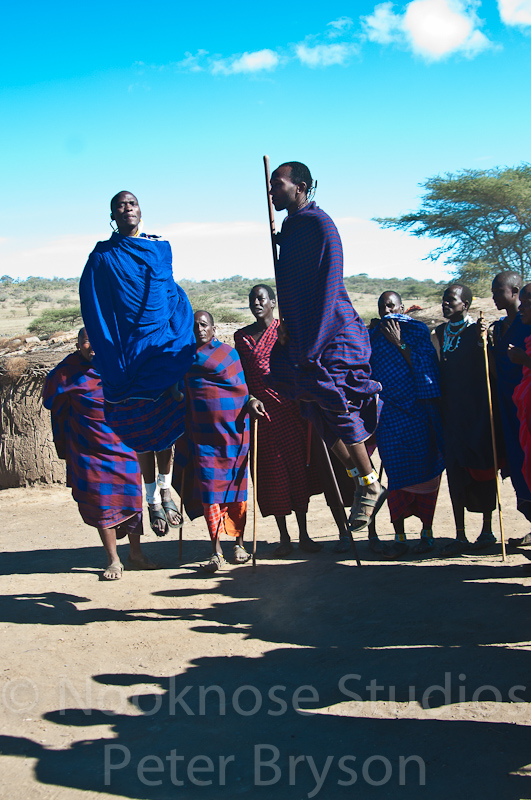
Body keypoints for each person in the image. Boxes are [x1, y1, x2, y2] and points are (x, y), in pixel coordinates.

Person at [266, 161, 385, 532]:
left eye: (278, 184)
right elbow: (293, 284)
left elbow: (328, 283)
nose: (271, 191)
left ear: (300, 186)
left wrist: (314, 340)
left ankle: (370, 484)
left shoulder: (320, 224)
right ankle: (359, 477)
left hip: (333, 332)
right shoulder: (292, 227)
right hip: (304, 334)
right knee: (313, 406)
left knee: (336, 401)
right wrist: (289, 327)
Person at [79, 191, 195, 538]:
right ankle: (152, 499)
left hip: (162, 347)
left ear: (140, 210)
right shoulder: (103, 255)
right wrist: (109, 348)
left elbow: (170, 291)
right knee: (144, 432)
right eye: (120, 206)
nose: (126, 209)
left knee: (168, 425)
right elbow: (94, 303)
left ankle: (165, 488)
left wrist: (179, 325)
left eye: (132, 204)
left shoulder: (159, 248)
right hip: (130, 352)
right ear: (112, 216)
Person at [42, 328, 158, 580]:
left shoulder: (118, 367)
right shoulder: (66, 372)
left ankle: (136, 553)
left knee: (132, 499)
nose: (92, 346)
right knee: (102, 503)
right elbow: (50, 399)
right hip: (89, 450)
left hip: (123, 445)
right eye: (86, 341)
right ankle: (113, 559)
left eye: (97, 341)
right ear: (77, 344)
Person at [234, 284, 327, 556]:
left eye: (261, 298)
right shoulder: (242, 337)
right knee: (273, 475)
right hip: (262, 415)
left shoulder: (286, 331)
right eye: (252, 299)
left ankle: (304, 535)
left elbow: (303, 364)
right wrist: (250, 399)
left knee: (298, 472)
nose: (256, 303)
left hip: (290, 410)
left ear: (273, 302)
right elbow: (240, 378)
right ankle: (284, 537)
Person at [173, 311, 250, 573]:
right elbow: (177, 392)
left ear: (214, 329)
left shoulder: (228, 354)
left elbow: (242, 389)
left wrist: (252, 402)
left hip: (233, 434)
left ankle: (239, 543)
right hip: (202, 437)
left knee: (237, 492)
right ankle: (216, 550)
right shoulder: (181, 358)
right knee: (209, 494)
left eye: (204, 325)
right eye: (194, 326)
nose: (199, 330)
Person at [369, 292, 445, 556]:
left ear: (402, 307)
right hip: (390, 416)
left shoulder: (417, 331)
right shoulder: (373, 335)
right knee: (396, 477)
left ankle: (427, 533)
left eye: (391, 305)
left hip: (419, 412)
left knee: (427, 472)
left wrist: (400, 342)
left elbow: (427, 370)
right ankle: (399, 535)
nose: (387, 310)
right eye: (382, 307)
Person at [434, 284, 498, 555]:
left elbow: (490, 370)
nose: (445, 305)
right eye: (444, 300)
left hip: (478, 414)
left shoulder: (477, 332)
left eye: (451, 301)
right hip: (451, 415)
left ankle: (487, 530)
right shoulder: (438, 333)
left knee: (483, 471)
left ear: (466, 305)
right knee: (456, 473)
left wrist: (486, 340)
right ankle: (460, 534)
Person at [490, 271, 531, 526]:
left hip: (525, 408)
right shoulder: (499, 328)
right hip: (510, 408)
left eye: (498, 292)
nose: (494, 297)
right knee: (518, 465)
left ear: (514, 293)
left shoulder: (525, 327)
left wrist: (525, 360)